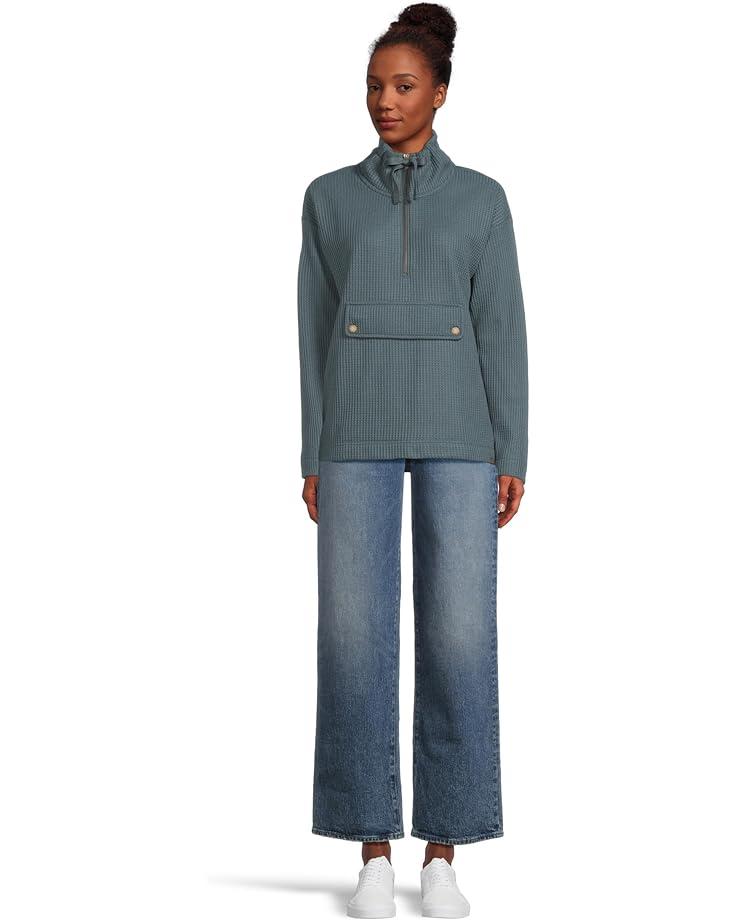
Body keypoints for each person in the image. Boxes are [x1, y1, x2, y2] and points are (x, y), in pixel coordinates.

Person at [297, 4, 528, 917]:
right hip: (354, 431)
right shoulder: (328, 196)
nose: (384, 101)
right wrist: (313, 447)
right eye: (373, 86)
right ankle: (371, 854)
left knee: (459, 636)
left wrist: (512, 446)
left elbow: (502, 328)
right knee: (354, 637)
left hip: (461, 434)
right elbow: (314, 329)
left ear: (439, 92)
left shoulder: (482, 199)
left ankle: (442, 854)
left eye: (402, 86)